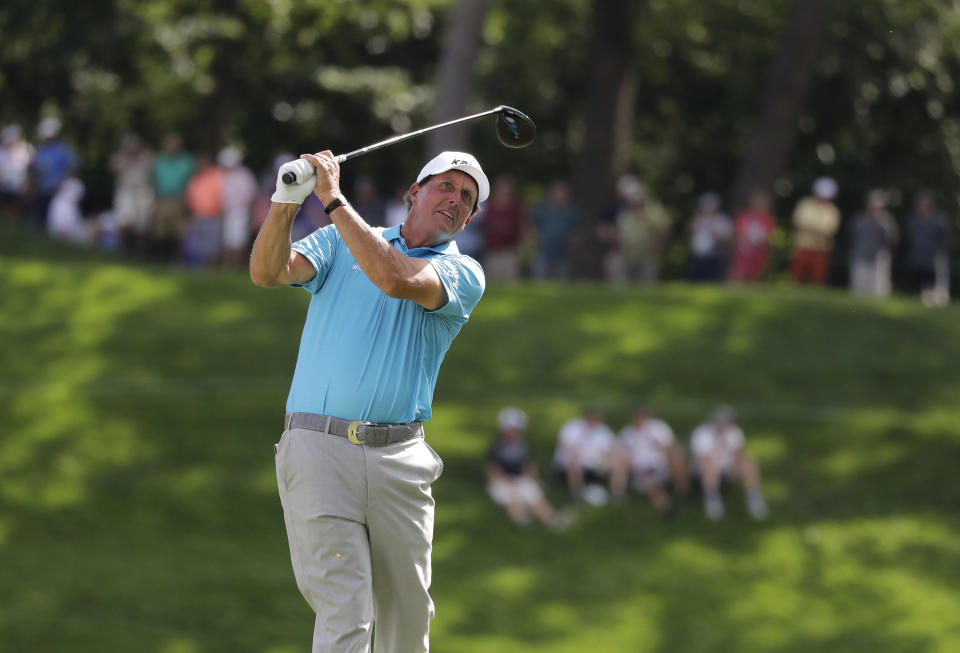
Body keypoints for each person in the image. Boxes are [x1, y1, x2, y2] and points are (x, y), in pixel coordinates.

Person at [250, 149, 489, 653]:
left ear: (468, 219)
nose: (455, 199)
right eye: (445, 185)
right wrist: (285, 203)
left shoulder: (464, 273)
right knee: (345, 610)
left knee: (406, 620)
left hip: (400, 460)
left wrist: (332, 199)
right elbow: (268, 271)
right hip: (317, 447)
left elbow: (397, 279)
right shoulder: (341, 238)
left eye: (466, 198)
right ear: (415, 192)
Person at [485, 407, 568, 529]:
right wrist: (507, 481)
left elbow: (527, 464)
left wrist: (534, 478)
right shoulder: (498, 447)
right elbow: (492, 469)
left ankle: (552, 521)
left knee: (536, 498)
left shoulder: (523, 445)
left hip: (520, 478)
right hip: (503, 481)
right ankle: (522, 524)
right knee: (513, 499)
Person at [690, 406, 768, 521]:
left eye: (726, 422)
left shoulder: (735, 432)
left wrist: (736, 467)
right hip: (706, 468)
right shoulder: (701, 433)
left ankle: (753, 498)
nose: (723, 425)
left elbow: (739, 453)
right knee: (710, 466)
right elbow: (703, 458)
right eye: (720, 422)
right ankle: (712, 500)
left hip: (728, 467)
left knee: (749, 462)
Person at [618, 406, 688, 515]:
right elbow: (625, 456)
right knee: (651, 483)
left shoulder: (658, 427)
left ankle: (682, 492)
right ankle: (665, 507)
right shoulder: (627, 433)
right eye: (636, 417)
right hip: (641, 469)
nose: (639, 420)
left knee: (677, 457)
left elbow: (670, 446)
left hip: (662, 465)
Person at [553, 406, 627, 504]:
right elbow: (568, 448)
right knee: (574, 463)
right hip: (575, 460)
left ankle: (617, 494)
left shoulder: (603, 430)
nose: (595, 420)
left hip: (596, 461)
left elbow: (613, 447)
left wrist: (608, 458)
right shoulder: (572, 427)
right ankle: (577, 495)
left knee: (618, 462)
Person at [608, 176, 672, 284]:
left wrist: (656, 248)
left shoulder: (653, 211)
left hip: (647, 256)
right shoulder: (625, 213)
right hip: (626, 255)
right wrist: (619, 247)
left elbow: (663, 230)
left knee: (646, 285)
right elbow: (618, 233)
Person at [28, 117, 77, 231]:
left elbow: (72, 167)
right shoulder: (41, 149)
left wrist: (63, 182)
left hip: (56, 189)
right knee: (39, 214)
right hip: (41, 187)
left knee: (51, 217)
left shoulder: (62, 150)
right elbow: (34, 167)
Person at [151, 133, 195, 260]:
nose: (172, 147)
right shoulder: (159, 161)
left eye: (174, 144)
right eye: (169, 144)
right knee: (160, 231)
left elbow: (191, 181)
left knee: (179, 232)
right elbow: (154, 181)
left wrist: (186, 199)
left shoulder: (186, 161)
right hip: (162, 200)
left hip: (179, 200)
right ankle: (160, 259)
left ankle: (177, 259)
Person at [790, 177, 840, 285]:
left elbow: (829, 232)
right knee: (796, 278)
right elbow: (798, 225)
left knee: (817, 279)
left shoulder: (833, 210)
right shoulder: (805, 205)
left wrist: (810, 228)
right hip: (802, 246)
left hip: (821, 249)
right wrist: (818, 230)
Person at [848, 189, 899, 297]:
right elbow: (852, 237)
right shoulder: (859, 219)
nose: (875, 209)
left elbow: (893, 240)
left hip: (879, 259)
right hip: (860, 257)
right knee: (858, 290)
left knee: (879, 291)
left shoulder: (888, 221)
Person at [110, 132, 155, 252]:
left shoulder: (146, 157)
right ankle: (122, 248)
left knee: (142, 224)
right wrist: (126, 156)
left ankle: (141, 251)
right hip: (126, 191)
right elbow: (115, 168)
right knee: (125, 221)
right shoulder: (120, 157)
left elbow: (152, 170)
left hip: (142, 192)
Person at [905, 191, 949, 308]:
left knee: (935, 286)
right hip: (918, 259)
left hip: (933, 260)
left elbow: (943, 240)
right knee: (919, 287)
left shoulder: (938, 221)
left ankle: (936, 304)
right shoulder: (912, 221)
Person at [481, 175, 529, 281]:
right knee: (493, 279)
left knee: (510, 279)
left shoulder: (516, 206)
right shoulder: (490, 205)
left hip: (510, 249)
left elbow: (522, 224)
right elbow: (483, 225)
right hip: (492, 249)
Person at [218, 146, 258, 267]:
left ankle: (237, 265)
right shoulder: (225, 175)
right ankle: (229, 265)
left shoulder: (245, 175)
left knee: (238, 241)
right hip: (226, 212)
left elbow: (251, 196)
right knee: (228, 240)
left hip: (241, 212)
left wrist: (251, 215)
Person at [531, 180, 578, 279]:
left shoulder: (571, 212)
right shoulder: (542, 209)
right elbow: (533, 226)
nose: (560, 195)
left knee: (561, 282)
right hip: (544, 252)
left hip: (563, 253)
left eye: (562, 192)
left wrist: (572, 244)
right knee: (540, 280)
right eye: (558, 192)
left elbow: (575, 231)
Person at [183, 154, 224, 267]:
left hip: (213, 215)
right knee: (198, 245)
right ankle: (200, 267)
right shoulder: (195, 178)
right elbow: (189, 197)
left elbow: (223, 194)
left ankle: (212, 268)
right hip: (197, 215)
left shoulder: (217, 175)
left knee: (212, 244)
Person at [731, 189, 776, 282]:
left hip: (759, 254)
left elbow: (768, 238)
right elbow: (739, 233)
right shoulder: (743, 216)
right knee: (739, 278)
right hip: (743, 255)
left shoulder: (768, 219)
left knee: (756, 280)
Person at [688, 191, 733, 282]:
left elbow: (728, 237)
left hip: (714, 257)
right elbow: (691, 232)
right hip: (698, 256)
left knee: (712, 282)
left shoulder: (723, 220)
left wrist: (713, 230)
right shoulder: (698, 219)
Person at [0, 124, 34, 219]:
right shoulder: (1, 150)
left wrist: (27, 185)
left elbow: (30, 170)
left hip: (19, 186)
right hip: (4, 185)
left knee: (16, 209)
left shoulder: (26, 150)